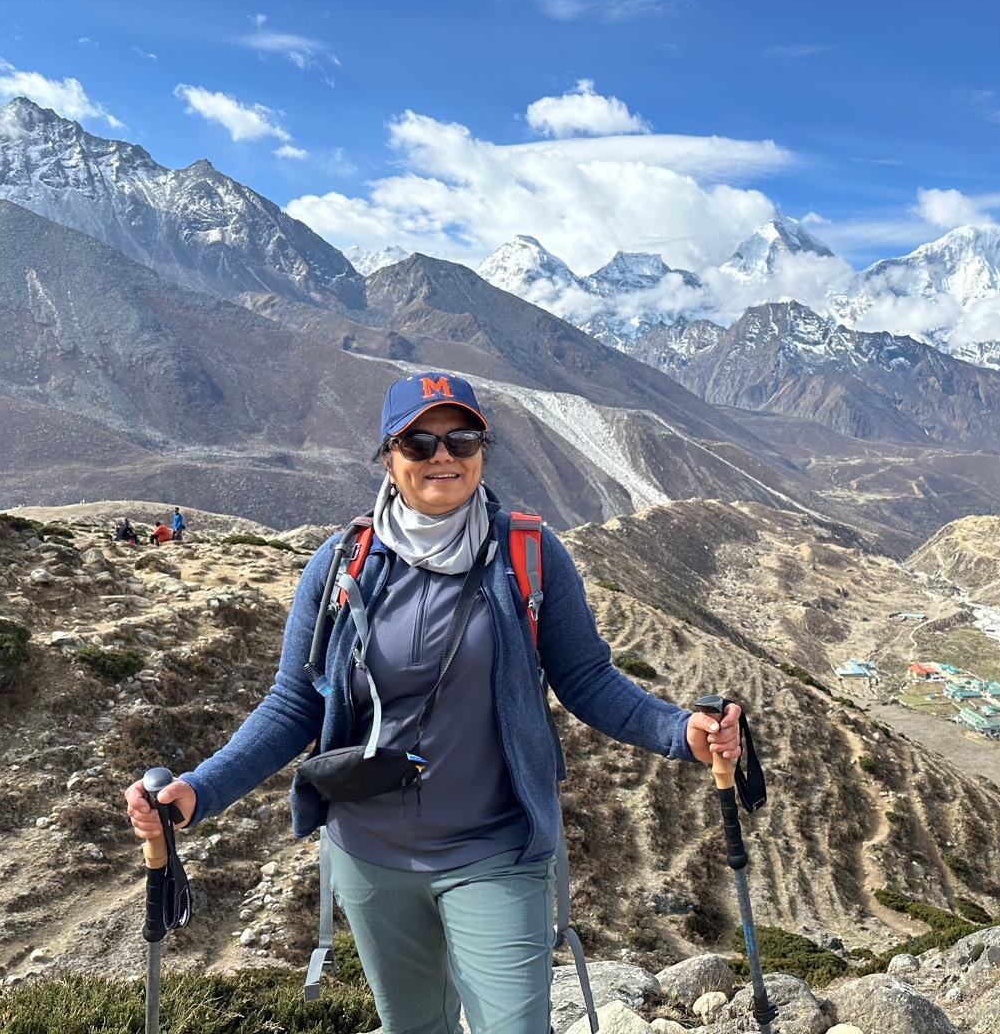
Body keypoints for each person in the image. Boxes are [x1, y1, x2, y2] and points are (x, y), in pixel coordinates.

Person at [124, 372, 742, 1034]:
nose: (441, 455)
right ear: (388, 458)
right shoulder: (342, 563)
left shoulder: (528, 555)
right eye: (418, 442)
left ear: (482, 452)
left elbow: (587, 679)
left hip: (494, 851)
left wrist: (679, 731)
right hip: (369, 856)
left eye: (461, 439)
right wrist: (201, 789)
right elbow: (294, 703)